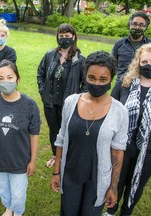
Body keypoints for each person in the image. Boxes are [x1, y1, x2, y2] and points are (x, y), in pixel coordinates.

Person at [103, 43, 151, 216]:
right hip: (120, 147)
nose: (148, 65)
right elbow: (110, 112)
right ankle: (110, 210)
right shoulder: (125, 83)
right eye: (144, 61)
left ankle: (126, 212)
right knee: (116, 181)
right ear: (137, 62)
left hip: (149, 151)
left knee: (135, 186)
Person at [50, 51, 129, 216]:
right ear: (85, 76)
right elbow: (61, 139)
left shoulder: (120, 112)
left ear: (111, 80)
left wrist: (113, 187)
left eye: (103, 79)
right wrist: (57, 171)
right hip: (70, 174)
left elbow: (117, 152)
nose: (97, 83)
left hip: (98, 180)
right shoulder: (71, 102)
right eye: (92, 78)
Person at [0, 60, 41, 216]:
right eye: (0, 78)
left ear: (17, 79)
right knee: (3, 189)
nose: (5, 81)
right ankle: (8, 208)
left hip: (20, 160)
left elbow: (34, 135)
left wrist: (33, 160)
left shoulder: (29, 105)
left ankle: (18, 212)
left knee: (19, 194)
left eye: (9, 77)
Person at [37, 23, 86, 168]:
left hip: (69, 103)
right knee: (54, 130)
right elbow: (40, 73)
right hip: (50, 102)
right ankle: (55, 155)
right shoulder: (49, 55)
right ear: (57, 36)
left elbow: (86, 83)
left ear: (73, 37)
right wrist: (43, 91)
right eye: (61, 35)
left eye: (67, 36)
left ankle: (67, 156)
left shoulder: (80, 60)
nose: (64, 38)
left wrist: (78, 99)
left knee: (67, 130)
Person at [112, 11, 151, 81]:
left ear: (146, 27)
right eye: (134, 24)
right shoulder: (119, 44)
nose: (137, 27)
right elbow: (112, 65)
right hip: (121, 85)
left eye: (141, 25)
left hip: (142, 86)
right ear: (129, 25)